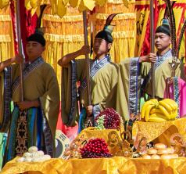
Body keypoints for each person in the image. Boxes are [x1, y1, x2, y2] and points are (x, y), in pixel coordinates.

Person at [0, 29, 59, 161]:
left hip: (35, 115)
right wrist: (12, 60)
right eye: (28, 45)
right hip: (17, 113)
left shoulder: (47, 69)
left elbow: (53, 96)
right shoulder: (18, 67)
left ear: (43, 48)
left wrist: (31, 103)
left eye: (34, 45)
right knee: (14, 152)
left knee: (33, 152)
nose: (30, 47)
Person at [59, 19, 128, 126]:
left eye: (100, 41)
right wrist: (80, 52)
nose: (96, 44)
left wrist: (96, 108)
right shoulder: (86, 64)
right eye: (95, 41)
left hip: (104, 118)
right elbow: (62, 62)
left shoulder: (113, 68)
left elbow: (113, 97)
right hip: (86, 115)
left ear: (109, 46)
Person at [126, 20, 184, 109]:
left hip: (166, 106)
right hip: (148, 103)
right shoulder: (149, 60)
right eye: (155, 37)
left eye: (161, 37)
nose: (157, 40)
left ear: (170, 40)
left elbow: (180, 88)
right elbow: (126, 67)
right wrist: (142, 59)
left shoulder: (176, 63)